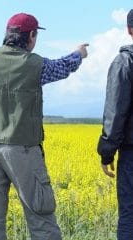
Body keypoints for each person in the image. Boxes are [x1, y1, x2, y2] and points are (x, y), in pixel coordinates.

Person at [0, 13, 88, 240]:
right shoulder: (35, 64)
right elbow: (62, 67)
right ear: (31, 36)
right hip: (22, 151)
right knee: (41, 220)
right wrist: (79, 54)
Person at [97, 9, 133, 240]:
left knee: (130, 215)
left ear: (129, 30)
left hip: (132, 153)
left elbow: (115, 112)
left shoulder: (125, 62)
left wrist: (106, 153)